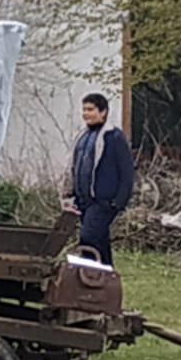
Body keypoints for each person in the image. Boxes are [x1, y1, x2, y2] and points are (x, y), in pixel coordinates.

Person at [63, 93, 134, 266]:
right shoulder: (82, 137)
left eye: (90, 109)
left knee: (88, 238)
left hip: (103, 201)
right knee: (100, 243)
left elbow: (127, 172)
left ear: (103, 112)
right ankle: (106, 280)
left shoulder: (114, 137)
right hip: (83, 201)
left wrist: (119, 201)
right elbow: (74, 168)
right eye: (84, 109)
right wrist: (68, 196)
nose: (86, 113)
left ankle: (86, 278)